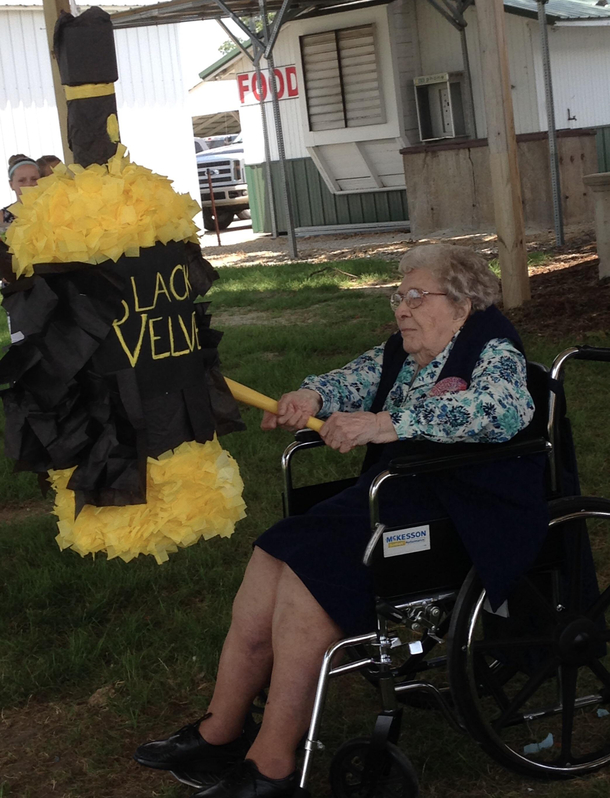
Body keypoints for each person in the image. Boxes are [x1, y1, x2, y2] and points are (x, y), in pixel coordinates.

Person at [134, 244, 549, 798]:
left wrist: (383, 425)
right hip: (398, 498)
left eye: (415, 296)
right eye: (398, 297)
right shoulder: (409, 352)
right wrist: (311, 395)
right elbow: (351, 379)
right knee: (273, 553)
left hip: (466, 511)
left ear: (463, 304)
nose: (401, 308)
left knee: (311, 584)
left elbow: (502, 410)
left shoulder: (493, 348)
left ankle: (274, 766)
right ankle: (220, 733)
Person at [2, 154, 40, 225]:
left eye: (34, 179)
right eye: (21, 180)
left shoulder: (53, 211)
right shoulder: (1, 217)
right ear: (11, 185)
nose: (28, 185)